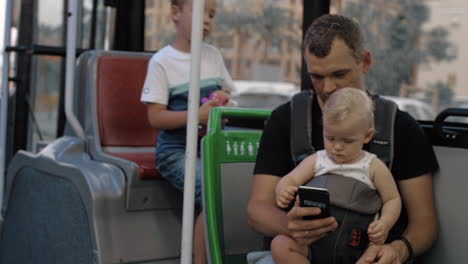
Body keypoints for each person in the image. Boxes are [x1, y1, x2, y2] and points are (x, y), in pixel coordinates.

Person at [247, 14, 439, 264]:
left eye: (339, 74)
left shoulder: (400, 127)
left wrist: (397, 251)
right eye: (317, 76)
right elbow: (257, 210)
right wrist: (291, 226)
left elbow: (424, 223)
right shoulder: (286, 120)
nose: (327, 88)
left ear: (365, 62)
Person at [140, 0, 234, 263]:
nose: (208, 21)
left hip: (208, 149)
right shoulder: (162, 62)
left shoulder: (213, 55)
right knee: (212, 189)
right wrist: (196, 116)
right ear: (175, 13)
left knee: (232, 183)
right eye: (202, 13)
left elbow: (227, 92)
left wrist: (221, 97)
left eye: (212, 15)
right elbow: (155, 117)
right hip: (175, 151)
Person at [271, 88, 401, 263]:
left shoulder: (373, 166)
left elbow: (392, 199)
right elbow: (291, 179)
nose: (337, 147)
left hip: (357, 246)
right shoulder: (317, 160)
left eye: (347, 141)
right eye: (330, 138)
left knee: (376, 256)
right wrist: (283, 190)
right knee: (280, 245)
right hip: (313, 243)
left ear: (367, 136)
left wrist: (385, 223)